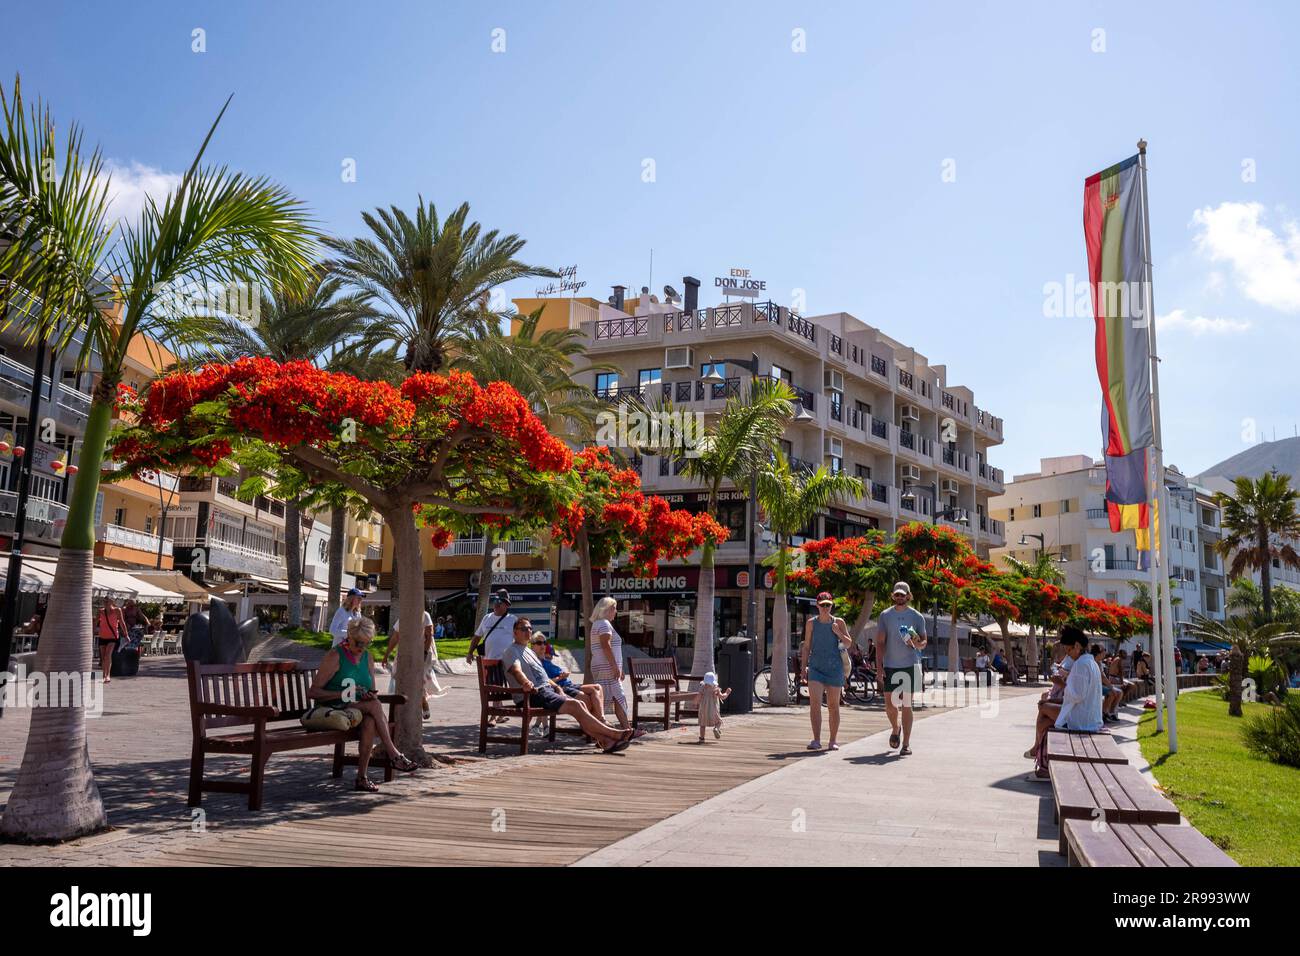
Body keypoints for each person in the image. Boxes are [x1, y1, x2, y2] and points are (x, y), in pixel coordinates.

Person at [309, 616, 417, 792]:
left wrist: (366, 695)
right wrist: (343, 694)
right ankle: (394, 754)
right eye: (358, 643)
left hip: (356, 710)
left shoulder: (367, 657)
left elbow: (371, 691)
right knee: (374, 706)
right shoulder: (335, 656)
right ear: (349, 637)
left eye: (367, 643)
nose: (362, 648)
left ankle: (362, 778)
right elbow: (313, 692)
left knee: (370, 720)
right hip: (332, 709)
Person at [500, 618, 634, 754]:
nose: (528, 631)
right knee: (576, 705)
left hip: (546, 690)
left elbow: (544, 677)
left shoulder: (529, 652)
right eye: (523, 629)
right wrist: (525, 682)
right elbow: (516, 671)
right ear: (514, 633)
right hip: (532, 694)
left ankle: (606, 741)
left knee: (580, 703)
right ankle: (614, 734)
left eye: (529, 628)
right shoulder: (511, 651)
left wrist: (557, 688)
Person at [875, 581, 927, 755]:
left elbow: (924, 642)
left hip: (910, 664)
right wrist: (879, 668)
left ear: (908, 596)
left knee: (906, 704)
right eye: (896, 594)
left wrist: (916, 643)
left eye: (902, 594)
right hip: (890, 665)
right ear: (893, 595)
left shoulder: (917, 616)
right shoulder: (885, 615)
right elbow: (880, 642)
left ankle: (906, 744)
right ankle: (895, 728)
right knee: (890, 706)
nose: (899, 597)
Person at [800, 592, 853, 751]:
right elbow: (807, 646)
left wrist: (838, 632)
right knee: (814, 704)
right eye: (822, 605)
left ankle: (833, 740)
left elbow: (849, 643)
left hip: (834, 668)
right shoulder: (811, 623)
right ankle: (816, 740)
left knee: (833, 706)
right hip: (816, 668)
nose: (825, 607)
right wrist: (803, 667)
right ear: (817, 605)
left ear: (831, 605)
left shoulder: (839, 622)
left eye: (827, 605)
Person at [384, 606, 446, 720]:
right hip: (405, 652)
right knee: (401, 678)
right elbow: (396, 636)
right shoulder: (403, 617)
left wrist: (424, 652)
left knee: (417, 680)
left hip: (421, 652)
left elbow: (429, 635)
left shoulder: (425, 615)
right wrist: (386, 654)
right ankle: (406, 706)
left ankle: (423, 703)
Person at [590, 596, 638, 732]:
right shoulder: (604, 623)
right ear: (607, 609)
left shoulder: (598, 623)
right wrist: (615, 667)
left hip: (604, 666)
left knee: (614, 697)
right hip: (606, 667)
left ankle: (626, 729)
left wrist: (618, 668)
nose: (616, 612)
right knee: (616, 696)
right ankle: (604, 730)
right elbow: (606, 645)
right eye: (614, 608)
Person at [531, 633, 604, 718]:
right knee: (586, 698)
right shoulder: (535, 662)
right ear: (532, 646)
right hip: (561, 687)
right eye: (539, 643)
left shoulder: (544, 660)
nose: (543, 645)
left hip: (568, 684)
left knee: (597, 687)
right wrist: (560, 677)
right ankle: (597, 722)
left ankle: (600, 719)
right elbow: (545, 681)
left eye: (545, 643)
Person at [467, 589, 517, 663]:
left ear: (506, 604)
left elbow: (521, 640)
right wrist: (470, 653)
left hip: (507, 662)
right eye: (495, 601)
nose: (496, 604)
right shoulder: (486, 618)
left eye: (499, 601)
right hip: (488, 661)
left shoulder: (513, 619)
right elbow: (477, 637)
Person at [96, 598, 128, 683]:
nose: (105, 602)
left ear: (112, 602)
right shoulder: (100, 611)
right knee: (103, 657)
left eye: (107, 601)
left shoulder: (117, 610)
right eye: (104, 601)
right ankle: (103, 675)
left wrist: (126, 634)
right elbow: (95, 622)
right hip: (102, 636)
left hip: (113, 637)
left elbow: (122, 622)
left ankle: (108, 675)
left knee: (107, 655)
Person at [696, 671, 731, 742]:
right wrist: (727, 693)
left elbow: (698, 697)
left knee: (702, 725)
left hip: (703, 710)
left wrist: (695, 703)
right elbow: (722, 697)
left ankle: (702, 738)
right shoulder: (716, 689)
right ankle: (716, 729)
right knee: (719, 722)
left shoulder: (702, 687)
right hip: (713, 710)